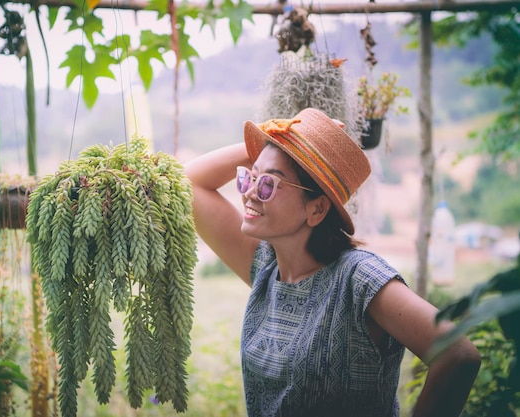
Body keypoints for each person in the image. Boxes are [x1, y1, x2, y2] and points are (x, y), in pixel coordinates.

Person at [184, 108, 481, 417]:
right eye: (250, 177)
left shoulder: (359, 278)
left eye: (269, 184)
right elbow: (189, 182)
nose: (249, 195)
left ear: (317, 209)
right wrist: (280, 138)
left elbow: (458, 355)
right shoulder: (266, 268)